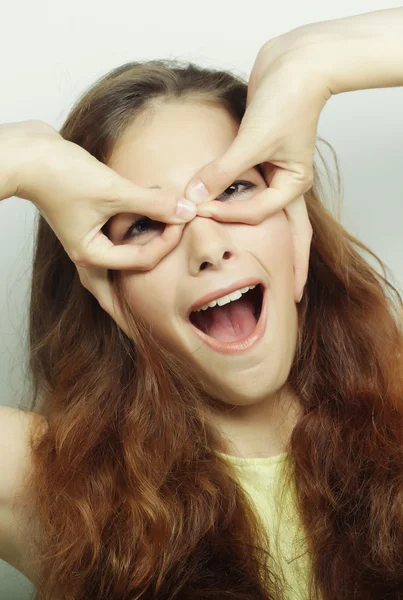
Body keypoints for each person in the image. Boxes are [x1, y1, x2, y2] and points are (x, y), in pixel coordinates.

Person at [0, 7, 402, 599]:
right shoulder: (44, 484)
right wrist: (21, 158)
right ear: (103, 286)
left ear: (296, 227)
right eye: (141, 225)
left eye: (235, 189)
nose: (208, 246)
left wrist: (319, 57)